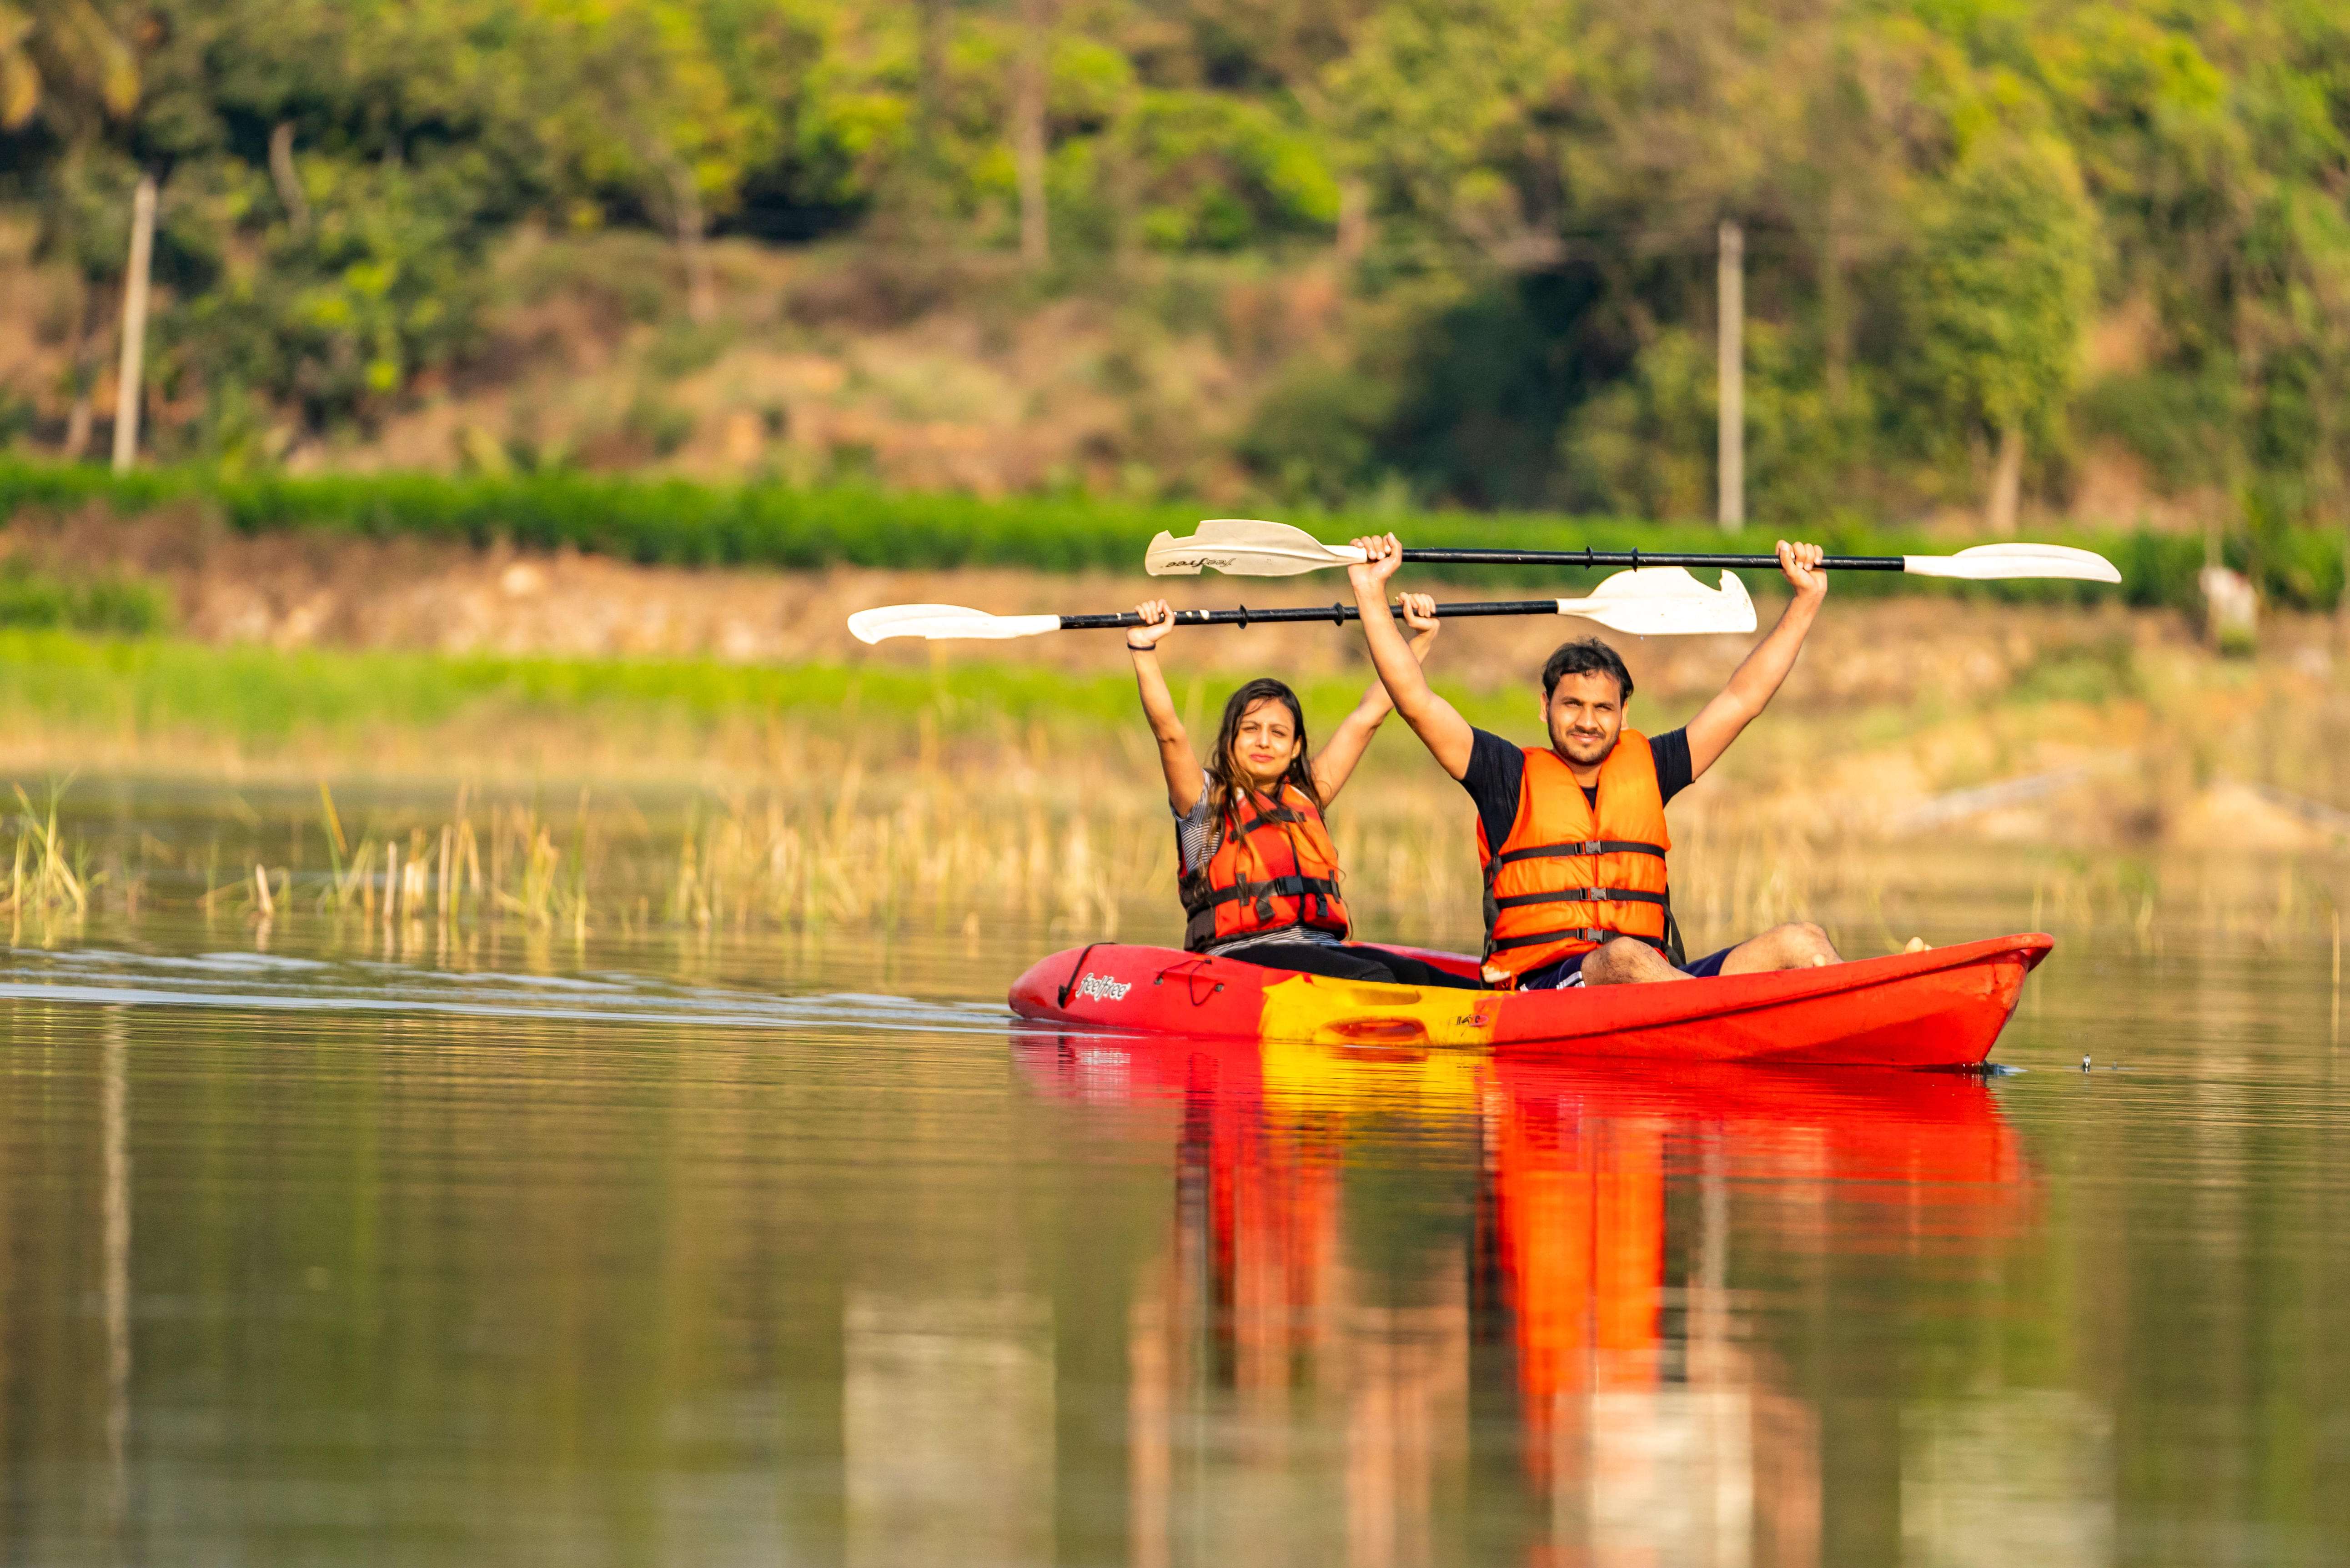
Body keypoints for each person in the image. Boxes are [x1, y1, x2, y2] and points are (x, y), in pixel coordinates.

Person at [1345, 533, 1843, 989]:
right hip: (1545, 985)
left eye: (1602, 708)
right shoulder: (1504, 775)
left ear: (1623, 714)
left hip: (1653, 978)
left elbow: (1742, 699)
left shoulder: (1652, 764)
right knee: (1623, 956)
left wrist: (1806, 599)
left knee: (1800, 940)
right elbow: (1414, 701)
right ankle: (1714, 1016)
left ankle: (1863, 1004)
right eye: (1572, 705)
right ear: (1544, 706)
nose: (1587, 721)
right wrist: (1370, 594)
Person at [1126, 594, 1484, 989]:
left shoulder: (1306, 797)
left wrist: (1422, 640)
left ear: (1296, 747)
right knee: (1374, 978)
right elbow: (1169, 733)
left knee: (1431, 979)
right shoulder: (1204, 802)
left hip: (1322, 950)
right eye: (1251, 730)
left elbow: (1368, 716)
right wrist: (1144, 649)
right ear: (1230, 739)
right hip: (1237, 960)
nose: (1264, 742)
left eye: (1278, 733)